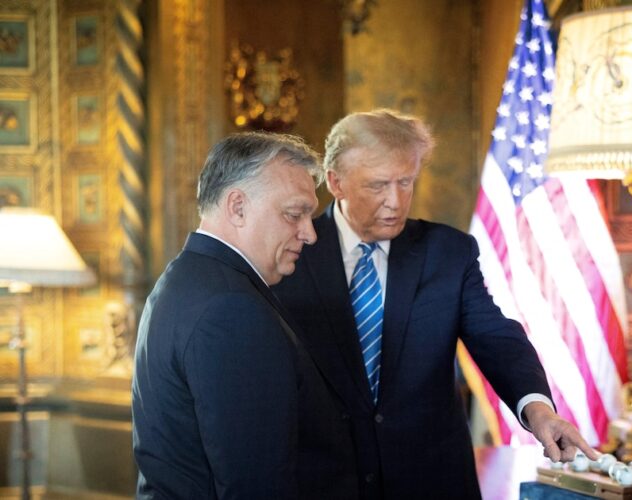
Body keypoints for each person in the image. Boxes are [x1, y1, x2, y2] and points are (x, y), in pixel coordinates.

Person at [272, 109, 598, 500]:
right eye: (378, 185)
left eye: (406, 182)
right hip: (323, 483)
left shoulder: (448, 252)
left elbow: (497, 337)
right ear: (335, 183)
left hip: (432, 480)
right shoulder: (289, 254)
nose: (395, 201)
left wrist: (538, 410)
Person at [132, 132, 356, 499]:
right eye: (294, 214)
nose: (310, 234)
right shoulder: (231, 310)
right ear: (237, 207)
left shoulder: (186, 279)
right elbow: (256, 486)